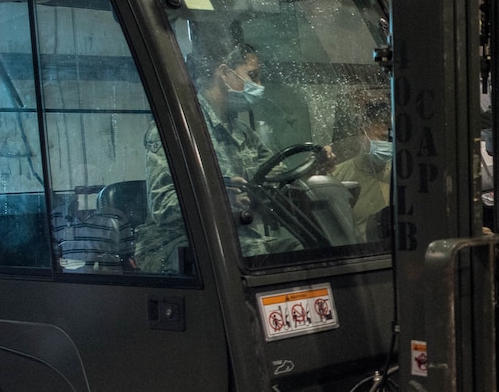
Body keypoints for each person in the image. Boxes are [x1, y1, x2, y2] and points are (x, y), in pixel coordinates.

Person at [134, 43, 301, 272]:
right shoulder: (177, 130)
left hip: (238, 238)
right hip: (177, 245)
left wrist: (313, 170)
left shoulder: (243, 133)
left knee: (304, 252)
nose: (259, 86)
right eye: (252, 76)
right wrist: (220, 199)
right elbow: (163, 205)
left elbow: (276, 176)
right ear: (224, 73)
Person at [331, 92, 393, 242]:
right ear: (361, 132)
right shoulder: (337, 177)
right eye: (382, 137)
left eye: (391, 139)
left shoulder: (401, 176)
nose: (388, 144)